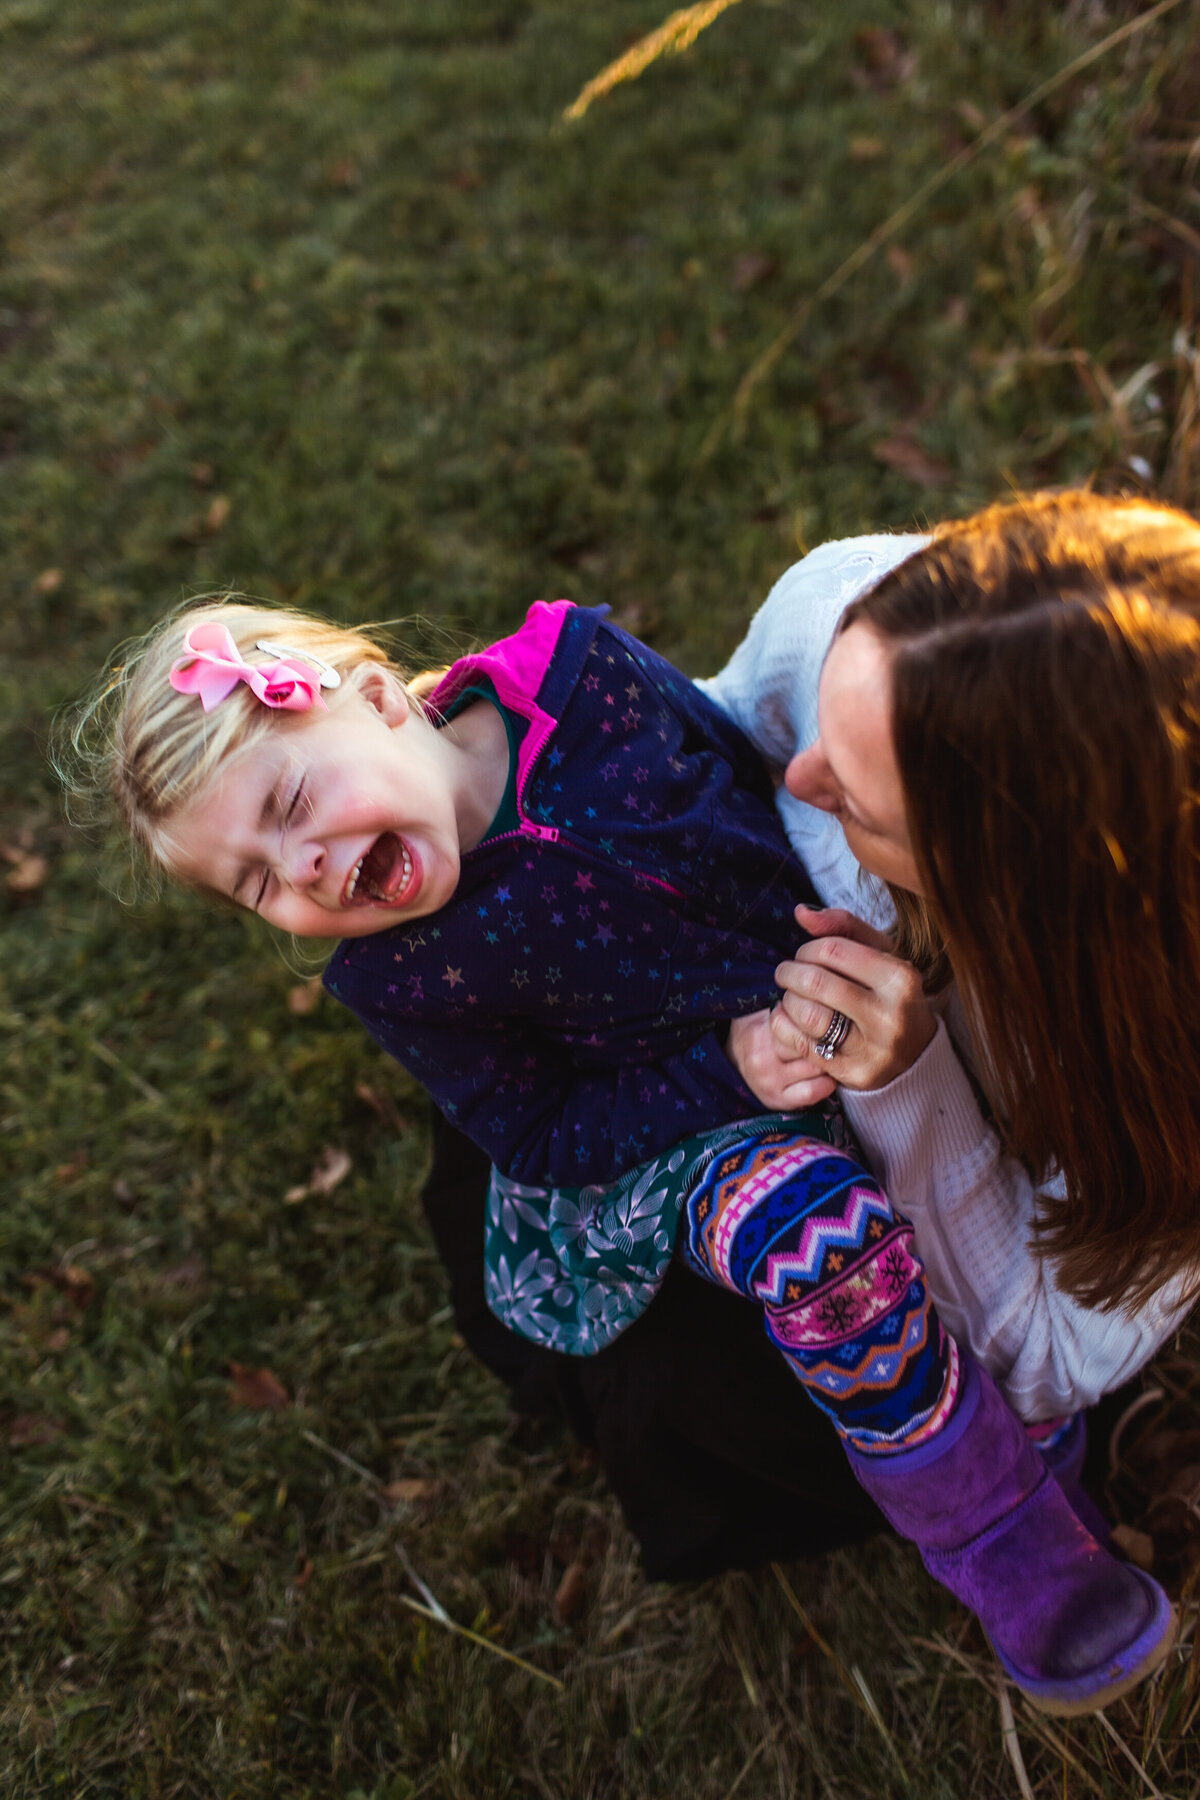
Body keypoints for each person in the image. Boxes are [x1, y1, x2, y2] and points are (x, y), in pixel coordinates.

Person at [73, 587, 1176, 1714]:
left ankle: (989, 1355)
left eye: (294, 802)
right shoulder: (394, 974)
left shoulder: (580, 670)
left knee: (947, 1155)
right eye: (254, 883)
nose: (301, 869)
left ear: (375, 701)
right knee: (817, 1237)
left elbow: (737, 769)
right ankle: (1009, 1534)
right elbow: (541, 1131)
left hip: (810, 991)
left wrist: (837, 919)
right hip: (667, 1132)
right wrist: (728, 1072)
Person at [701, 491, 1200, 1426]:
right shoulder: (842, 611)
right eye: (824, 725)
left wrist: (908, 1086)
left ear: (1012, 902)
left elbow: (1045, 1360)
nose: (800, 775)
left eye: (853, 803)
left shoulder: (1159, 1070)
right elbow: (713, 732)